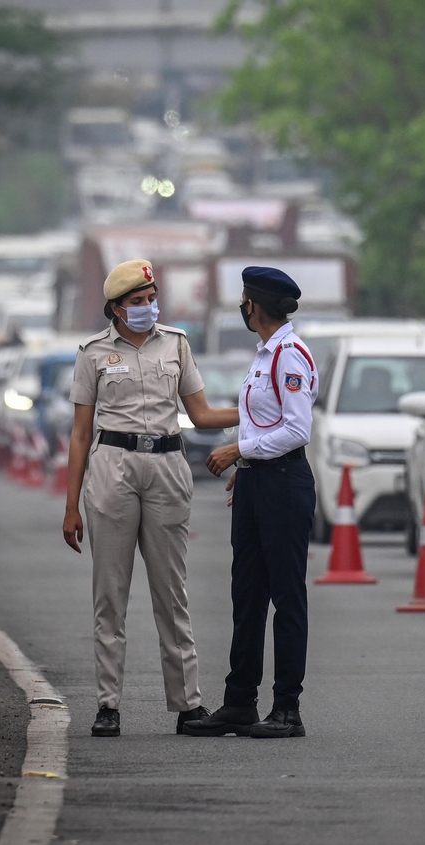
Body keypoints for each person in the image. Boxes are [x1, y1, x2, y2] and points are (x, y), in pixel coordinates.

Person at [61, 259, 239, 738]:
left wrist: (253, 410)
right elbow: (80, 434)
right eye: (136, 302)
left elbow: (200, 415)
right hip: (112, 467)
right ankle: (107, 704)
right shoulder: (93, 353)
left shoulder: (176, 344)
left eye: (150, 299)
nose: (146, 308)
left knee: (171, 592)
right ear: (116, 309)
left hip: (166, 466)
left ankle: (188, 705)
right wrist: (70, 505)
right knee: (110, 595)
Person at [184, 266, 317, 740]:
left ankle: (287, 709)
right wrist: (248, 469)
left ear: (254, 306)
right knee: (247, 595)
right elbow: (264, 422)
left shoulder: (289, 356)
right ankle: (239, 701)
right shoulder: (264, 356)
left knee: (286, 596)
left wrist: (240, 449)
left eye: (244, 300)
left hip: (285, 483)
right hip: (258, 483)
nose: (242, 307)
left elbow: (297, 430)